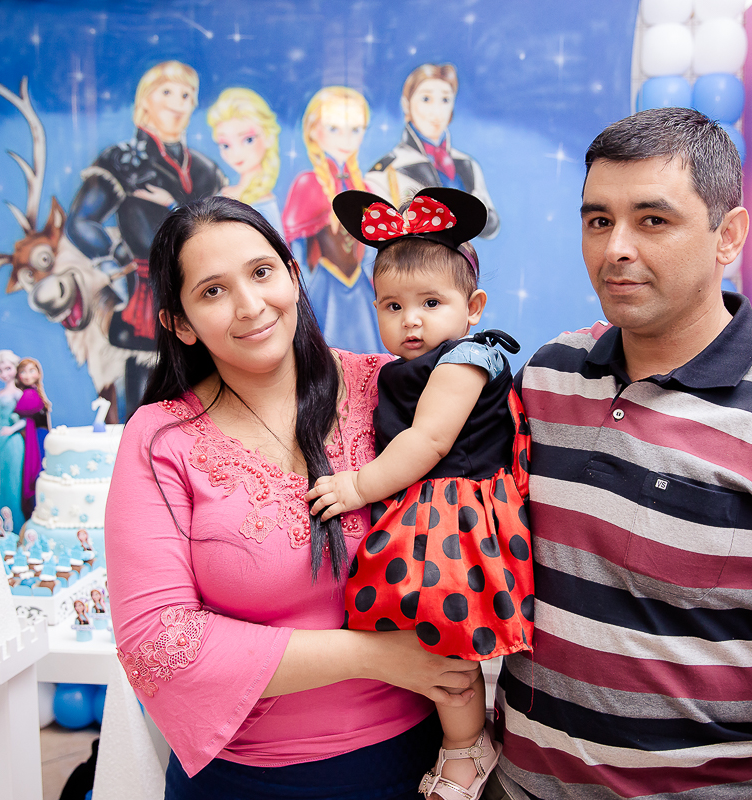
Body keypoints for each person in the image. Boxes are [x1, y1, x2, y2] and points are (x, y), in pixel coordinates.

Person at [488, 108, 752, 800]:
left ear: (728, 236)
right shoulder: (549, 374)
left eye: (653, 220)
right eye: (598, 220)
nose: (615, 249)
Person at [105, 195, 480, 799]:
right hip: (243, 781)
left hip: (420, 767)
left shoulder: (396, 388)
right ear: (179, 323)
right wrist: (377, 656)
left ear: (293, 274)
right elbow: (158, 644)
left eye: (261, 272)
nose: (251, 306)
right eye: (212, 291)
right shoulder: (160, 437)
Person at [307, 187, 533, 800]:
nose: (410, 320)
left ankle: (467, 748)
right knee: (423, 639)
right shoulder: (407, 363)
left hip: (454, 520)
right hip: (428, 511)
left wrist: (357, 486)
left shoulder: (466, 358)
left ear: (473, 306)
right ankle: (454, 734)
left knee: (444, 639)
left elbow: (428, 441)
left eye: (431, 302)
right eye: (392, 305)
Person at [66, 61, 227, 411]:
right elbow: (80, 222)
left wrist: (173, 207)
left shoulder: (204, 168)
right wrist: (118, 255)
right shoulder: (123, 161)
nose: (177, 102)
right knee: (145, 408)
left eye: (186, 95)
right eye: (167, 92)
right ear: (145, 101)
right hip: (150, 299)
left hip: (211, 294)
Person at [282, 86, 386, 354]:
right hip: (323, 285)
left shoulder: (365, 187)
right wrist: (300, 291)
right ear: (314, 131)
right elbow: (296, 251)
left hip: (360, 286)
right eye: (334, 129)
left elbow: (376, 249)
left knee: (370, 352)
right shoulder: (307, 184)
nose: (346, 138)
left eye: (355, 129)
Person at [366, 64, 499, 239]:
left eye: (445, 100)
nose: (436, 111)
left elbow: (490, 226)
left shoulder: (467, 164)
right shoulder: (385, 172)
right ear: (406, 104)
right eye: (426, 99)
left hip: (460, 263)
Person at [207, 87, 284, 233]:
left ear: (269, 137)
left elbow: (281, 252)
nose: (236, 153)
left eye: (248, 140)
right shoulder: (221, 195)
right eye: (225, 145)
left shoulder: (266, 204)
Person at [0, 349, 26, 533]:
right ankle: (2, 524)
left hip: (14, 441)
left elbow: (27, 419)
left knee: (13, 480)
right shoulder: (1, 392)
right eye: (0, 370)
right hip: (2, 442)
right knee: (2, 479)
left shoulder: (18, 393)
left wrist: (12, 428)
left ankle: (16, 525)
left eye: (8, 368)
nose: (4, 373)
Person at [13, 357, 51, 523]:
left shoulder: (36, 391)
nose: (27, 375)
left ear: (38, 372)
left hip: (43, 437)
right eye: (23, 372)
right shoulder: (28, 395)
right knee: (36, 473)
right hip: (35, 439)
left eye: (31, 370)